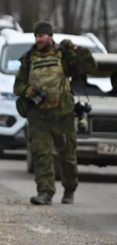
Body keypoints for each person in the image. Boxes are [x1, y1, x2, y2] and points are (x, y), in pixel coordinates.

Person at [13, 20, 96, 206]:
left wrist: (75, 48)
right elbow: (17, 85)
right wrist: (28, 91)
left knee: (67, 154)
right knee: (41, 154)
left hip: (62, 114)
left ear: (50, 37)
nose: (38, 39)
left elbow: (90, 66)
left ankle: (69, 188)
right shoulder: (29, 59)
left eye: (41, 36)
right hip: (38, 115)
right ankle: (45, 192)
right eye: (36, 36)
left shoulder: (64, 56)